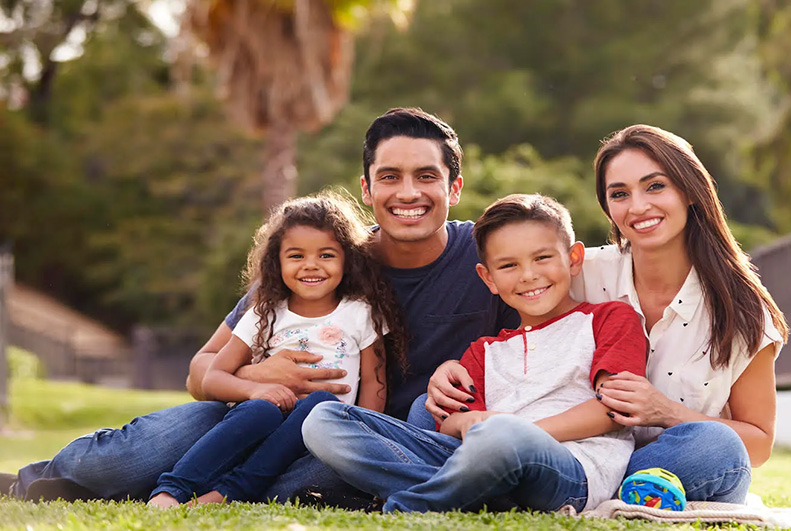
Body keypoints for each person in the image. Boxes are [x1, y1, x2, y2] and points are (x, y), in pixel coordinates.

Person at [5, 107, 518, 503]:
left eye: (426, 176)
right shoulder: (323, 262)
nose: (408, 192)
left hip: (363, 440)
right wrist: (260, 374)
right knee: (132, 457)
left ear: (455, 186)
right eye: (390, 176)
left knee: (309, 478)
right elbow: (200, 370)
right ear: (366, 188)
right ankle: (27, 484)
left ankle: (205, 488)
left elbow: (555, 299)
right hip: (257, 415)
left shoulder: (490, 256)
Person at [425, 124, 789, 504]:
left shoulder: (743, 309)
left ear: (690, 191)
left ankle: (546, 487)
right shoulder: (581, 270)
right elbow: (517, 338)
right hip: (565, 445)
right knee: (430, 409)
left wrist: (664, 412)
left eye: (655, 186)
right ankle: (524, 479)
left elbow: (758, 444)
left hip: (656, 463)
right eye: (619, 194)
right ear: (607, 207)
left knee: (716, 447)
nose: (638, 206)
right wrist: (451, 370)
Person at [302, 193, 648, 513]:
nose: (529, 275)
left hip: (571, 466)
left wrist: (511, 429)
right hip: (479, 459)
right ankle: (474, 494)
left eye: (542, 258)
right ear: (489, 278)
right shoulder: (485, 351)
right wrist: (472, 423)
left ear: (573, 259)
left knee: (499, 438)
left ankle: (406, 506)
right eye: (509, 266)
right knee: (324, 420)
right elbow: (453, 424)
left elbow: (613, 408)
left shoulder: (609, 318)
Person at [146, 193, 407, 507]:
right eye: (296, 256)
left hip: (321, 433)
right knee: (261, 409)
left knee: (320, 403)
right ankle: (171, 490)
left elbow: (375, 384)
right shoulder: (264, 312)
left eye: (326, 255)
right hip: (260, 420)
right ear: (276, 261)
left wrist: (363, 436)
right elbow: (213, 377)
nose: (311, 265)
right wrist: (255, 390)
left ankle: (226, 493)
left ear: (347, 259)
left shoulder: (361, 313)